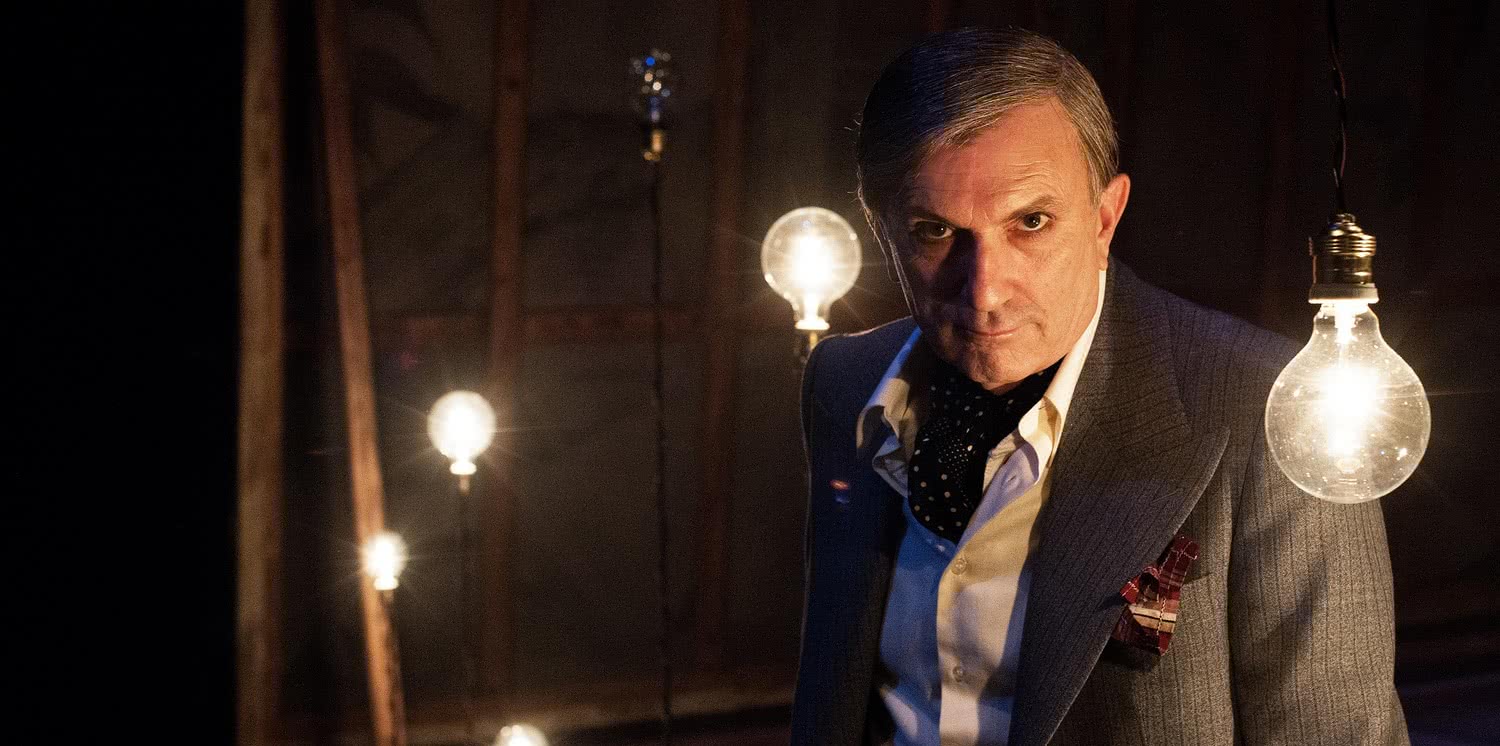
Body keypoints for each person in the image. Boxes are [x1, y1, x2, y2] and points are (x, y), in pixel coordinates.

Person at [792, 27, 1407, 745]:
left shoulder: (1277, 410)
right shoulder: (844, 381)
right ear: (881, 229)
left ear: (1105, 217)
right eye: (935, 231)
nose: (985, 290)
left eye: (1031, 222)